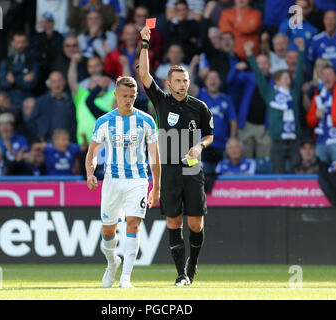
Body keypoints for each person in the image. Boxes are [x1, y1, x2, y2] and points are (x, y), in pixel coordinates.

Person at [139, 26, 214, 286]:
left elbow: (209, 135)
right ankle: (181, 274)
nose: (182, 84)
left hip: (192, 169)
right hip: (169, 169)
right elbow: (144, 74)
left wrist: (200, 147)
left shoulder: (200, 107)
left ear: (189, 83)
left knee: (195, 224)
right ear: (169, 84)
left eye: (185, 80)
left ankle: (192, 265)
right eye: (177, 81)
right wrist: (145, 44)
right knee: (173, 221)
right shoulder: (161, 101)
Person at [85, 76, 161, 288]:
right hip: (112, 181)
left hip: (137, 180)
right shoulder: (104, 122)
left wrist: (156, 187)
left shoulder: (146, 121)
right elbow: (92, 153)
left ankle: (126, 278)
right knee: (108, 231)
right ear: (115, 95)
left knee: (133, 224)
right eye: (124, 96)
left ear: (136, 96)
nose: (128, 100)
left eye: (132, 96)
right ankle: (112, 263)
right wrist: (90, 173)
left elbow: (155, 158)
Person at [246, 38, 306, 173]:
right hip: (276, 140)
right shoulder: (269, 93)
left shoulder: (294, 92)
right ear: (277, 81)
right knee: (278, 171)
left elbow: (299, 74)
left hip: (294, 140)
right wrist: (250, 54)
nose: (288, 80)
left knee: (294, 170)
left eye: (289, 78)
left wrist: (301, 50)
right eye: (285, 78)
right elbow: (259, 75)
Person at [189, 69, 238, 174]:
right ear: (205, 82)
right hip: (203, 145)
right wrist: (194, 64)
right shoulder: (200, 95)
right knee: (204, 173)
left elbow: (233, 121)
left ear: (220, 82)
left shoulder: (226, 100)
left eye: (215, 78)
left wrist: (232, 139)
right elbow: (186, 82)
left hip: (222, 145)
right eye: (210, 78)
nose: (213, 80)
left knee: (221, 174)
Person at [0, 31, 39, 106]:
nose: (20, 45)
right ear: (12, 43)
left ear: (27, 43)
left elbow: (32, 84)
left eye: (23, 42)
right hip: (9, 99)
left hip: (27, 100)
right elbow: (3, 82)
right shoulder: (6, 61)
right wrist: (22, 79)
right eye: (17, 42)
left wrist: (14, 80)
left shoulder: (33, 62)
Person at [308, 10, 336, 77]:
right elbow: (311, 61)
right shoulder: (316, 40)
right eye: (327, 18)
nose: (330, 22)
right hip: (322, 81)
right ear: (323, 20)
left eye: (333, 19)